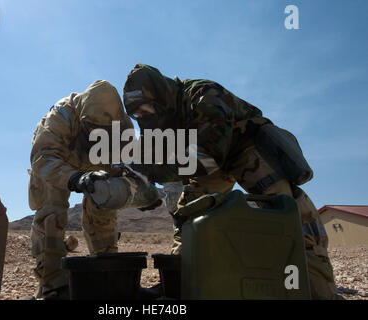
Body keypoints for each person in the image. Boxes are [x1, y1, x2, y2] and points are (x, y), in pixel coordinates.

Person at [122, 63, 339, 300]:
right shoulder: (158, 118)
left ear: (161, 95)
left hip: (245, 146)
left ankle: (319, 290)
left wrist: (152, 171)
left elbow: (209, 157)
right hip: (208, 159)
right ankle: (179, 283)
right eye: (137, 113)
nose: (143, 116)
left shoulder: (204, 95)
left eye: (146, 108)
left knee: (288, 212)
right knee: (189, 217)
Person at [27, 80, 134, 299]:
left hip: (98, 162)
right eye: (93, 128)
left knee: (105, 204)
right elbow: (43, 157)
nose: (97, 133)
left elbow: (128, 165)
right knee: (51, 210)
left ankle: (106, 272)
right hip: (58, 161)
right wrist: (74, 178)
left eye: (103, 130)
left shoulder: (124, 127)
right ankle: (53, 285)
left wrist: (132, 188)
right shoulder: (61, 115)